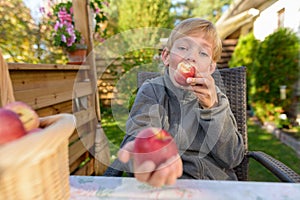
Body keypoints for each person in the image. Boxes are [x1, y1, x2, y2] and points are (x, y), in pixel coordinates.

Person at [104, 18, 245, 187]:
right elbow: (139, 135)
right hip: (169, 184)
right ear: (166, 57)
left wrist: (213, 109)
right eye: (183, 48)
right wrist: (148, 152)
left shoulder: (218, 100)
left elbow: (233, 158)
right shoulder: (153, 92)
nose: (191, 57)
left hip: (215, 185)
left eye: (203, 53)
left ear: (211, 68)